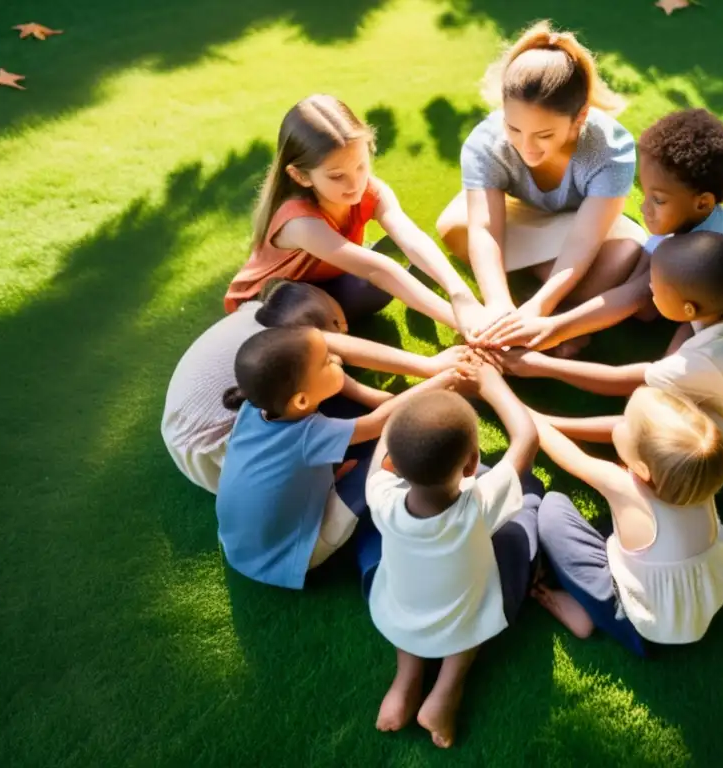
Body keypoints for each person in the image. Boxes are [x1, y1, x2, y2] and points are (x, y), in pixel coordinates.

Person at [502, 231, 723, 509]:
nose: (650, 289)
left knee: (653, 422)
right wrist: (671, 364)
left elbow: (623, 383)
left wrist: (540, 365)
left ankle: (547, 423)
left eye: (657, 286)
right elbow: (692, 328)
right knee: (663, 393)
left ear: (688, 306)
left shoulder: (707, 362)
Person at [484, 108, 723, 351]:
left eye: (658, 200)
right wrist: (569, 320)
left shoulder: (704, 248)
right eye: (645, 193)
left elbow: (636, 296)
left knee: (662, 383)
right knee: (646, 290)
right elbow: (641, 289)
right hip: (720, 315)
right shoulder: (687, 221)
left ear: (702, 203)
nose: (645, 208)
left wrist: (554, 328)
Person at [436, 20, 646, 354]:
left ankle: (542, 308)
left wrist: (540, 308)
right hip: (527, 219)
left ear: (579, 118)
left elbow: (584, 238)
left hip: (586, 228)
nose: (526, 146)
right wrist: (499, 305)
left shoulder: (610, 147)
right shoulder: (485, 142)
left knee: (622, 257)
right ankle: (531, 303)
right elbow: (486, 229)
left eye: (544, 135)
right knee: (453, 226)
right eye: (513, 128)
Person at [215, 326, 473, 589]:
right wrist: (440, 381)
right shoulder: (308, 434)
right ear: (302, 401)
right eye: (327, 362)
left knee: (356, 450)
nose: (337, 360)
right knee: (386, 458)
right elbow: (378, 423)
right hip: (290, 556)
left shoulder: (254, 408)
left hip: (241, 546)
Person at [363, 366, 540, 748]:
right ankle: (447, 688)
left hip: (401, 612)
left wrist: (426, 390)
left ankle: (405, 682)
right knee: (524, 514)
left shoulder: (381, 497)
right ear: (472, 464)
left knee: (414, 607)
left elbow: (382, 448)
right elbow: (527, 438)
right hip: (464, 618)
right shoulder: (478, 503)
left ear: (394, 463)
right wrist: (493, 385)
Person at [162, 280, 473, 493]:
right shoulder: (283, 348)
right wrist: (431, 369)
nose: (344, 334)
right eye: (338, 326)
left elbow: (342, 380)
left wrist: (380, 397)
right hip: (216, 455)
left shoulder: (261, 327)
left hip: (188, 438)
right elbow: (371, 421)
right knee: (351, 431)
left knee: (324, 387)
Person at [225, 94, 488, 335]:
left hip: (323, 284)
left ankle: (341, 311)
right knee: (378, 276)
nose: (355, 184)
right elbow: (377, 270)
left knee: (380, 280)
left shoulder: (370, 190)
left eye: (361, 166)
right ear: (301, 175)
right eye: (337, 176)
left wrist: (461, 295)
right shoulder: (299, 222)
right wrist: (465, 323)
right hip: (271, 306)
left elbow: (410, 236)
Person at [531, 387, 723, 654]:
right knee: (618, 531)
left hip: (641, 628)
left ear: (642, 469)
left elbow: (570, 457)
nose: (620, 422)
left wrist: (514, 405)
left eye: (626, 423)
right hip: (696, 611)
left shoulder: (624, 488)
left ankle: (592, 613)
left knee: (552, 510)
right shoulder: (696, 479)